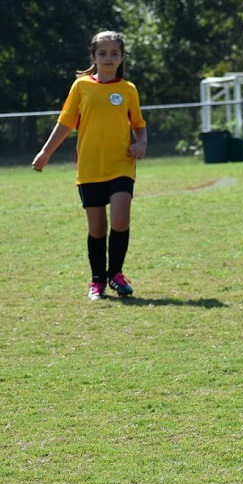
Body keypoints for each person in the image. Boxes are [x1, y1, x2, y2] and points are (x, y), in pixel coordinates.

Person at [32, 30, 147, 301]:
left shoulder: (128, 89)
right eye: (102, 53)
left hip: (121, 165)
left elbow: (138, 124)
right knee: (97, 229)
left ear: (122, 57)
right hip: (89, 167)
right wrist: (46, 152)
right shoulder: (81, 86)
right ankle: (97, 281)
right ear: (93, 57)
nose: (108, 58)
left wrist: (142, 143)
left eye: (114, 53)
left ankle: (116, 274)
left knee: (120, 219)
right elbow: (65, 122)